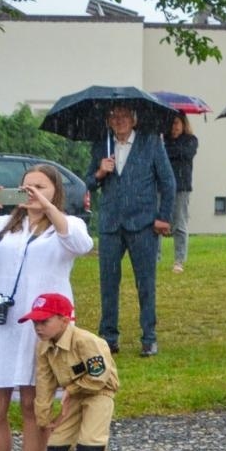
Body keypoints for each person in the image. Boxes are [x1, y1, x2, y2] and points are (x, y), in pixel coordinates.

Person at [0, 168, 94, 451]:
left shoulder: (68, 226)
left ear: (54, 192)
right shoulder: (0, 228)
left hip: (42, 327)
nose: (30, 191)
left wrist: (47, 207)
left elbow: (82, 245)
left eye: (39, 186)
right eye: (26, 186)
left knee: (35, 406)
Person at [85, 103, 175, 358]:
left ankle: (149, 338)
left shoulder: (151, 143)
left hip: (143, 224)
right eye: (114, 116)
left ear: (134, 120)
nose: (120, 120)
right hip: (111, 225)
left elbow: (168, 182)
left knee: (145, 283)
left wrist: (163, 217)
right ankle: (109, 338)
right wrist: (100, 171)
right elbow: (87, 183)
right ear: (109, 121)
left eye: (125, 116)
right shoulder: (101, 145)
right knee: (108, 284)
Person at [25, 292, 118, 451]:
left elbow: (98, 376)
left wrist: (70, 390)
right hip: (74, 394)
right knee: (57, 439)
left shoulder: (86, 341)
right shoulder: (44, 347)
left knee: (90, 439)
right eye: (35, 322)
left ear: (65, 320)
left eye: (44, 321)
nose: (38, 327)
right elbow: (44, 382)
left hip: (99, 393)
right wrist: (44, 416)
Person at [163, 113, 198, 273]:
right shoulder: (162, 141)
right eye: (171, 124)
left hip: (181, 187)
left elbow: (185, 153)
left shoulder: (191, 140)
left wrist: (170, 151)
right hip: (162, 186)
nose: (174, 127)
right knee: (158, 222)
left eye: (177, 123)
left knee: (180, 223)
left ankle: (179, 259)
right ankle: (155, 258)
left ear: (183, 124)